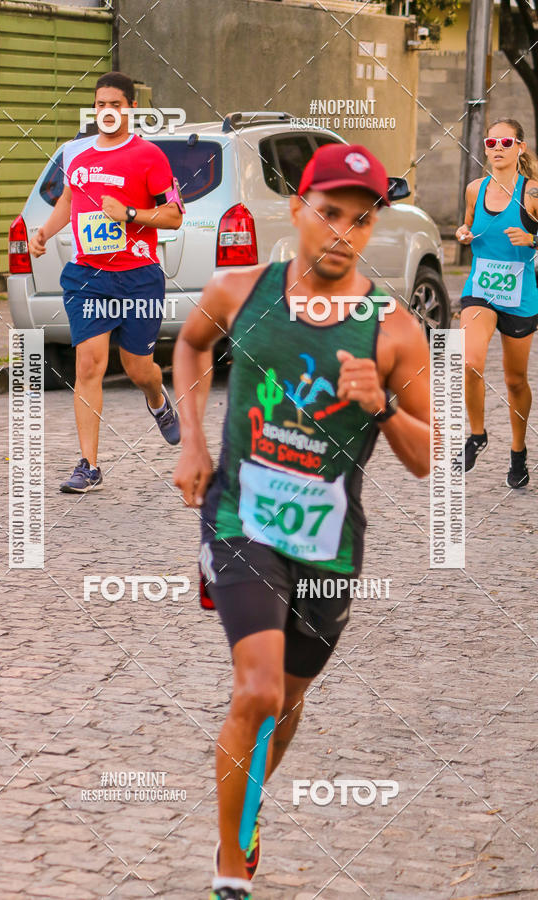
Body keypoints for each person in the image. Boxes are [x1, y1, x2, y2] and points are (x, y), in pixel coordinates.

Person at [172, 143, 431, 900]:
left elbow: (426, 456)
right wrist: (190, 439)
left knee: (286, 703)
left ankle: (246, 805)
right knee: (254, 693)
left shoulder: (393, 331)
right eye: (329, 213)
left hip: (329, 542)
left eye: (359, 218)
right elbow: (189, 346)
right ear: (299, 210)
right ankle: (230, 870)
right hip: (240, 517)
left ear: (373, 224)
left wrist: (381, 406)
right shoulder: (240, 290)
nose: (342, 231)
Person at [29, 71, 183, 493]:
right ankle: (88, 466)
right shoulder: (78, 160)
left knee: (139, 368)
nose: (107, 112)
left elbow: (173, 215)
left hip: (138, 278)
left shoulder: (149, 157)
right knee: (89, 364)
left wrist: (131, 215)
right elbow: (67, 201)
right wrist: (43, 232)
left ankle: (157, 400)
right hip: (88, 278)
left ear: (131, 109)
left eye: (115, 104)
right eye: (100, 105)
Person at [456, 117, 538, 487]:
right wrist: (461, 232)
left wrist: (532, 241)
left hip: (520, 296)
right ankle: (477, 435)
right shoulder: (475, 188)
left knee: (515, 380)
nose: (498, 149)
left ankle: (518, 454)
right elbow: (468, 224)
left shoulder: (533, 192)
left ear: (520, 147)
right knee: (470, 361)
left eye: (506, 142)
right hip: (482, 291)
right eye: (492, 143)